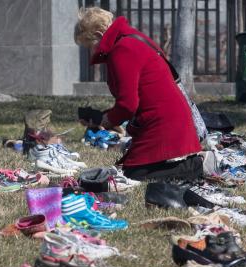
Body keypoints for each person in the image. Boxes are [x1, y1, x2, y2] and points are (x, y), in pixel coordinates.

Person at [74, 7, 204, 181]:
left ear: (99, 34)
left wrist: (109, 120)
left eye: (90, 46)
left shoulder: (122, 50)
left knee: (132, 175)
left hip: (163, 125)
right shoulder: (134, 38)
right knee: (127, 169)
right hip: (168, 122)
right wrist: (104, 117)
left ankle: (191, 166)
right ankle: (188, 164)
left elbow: (128, 105)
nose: (92, 52)